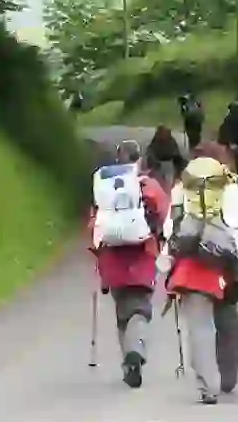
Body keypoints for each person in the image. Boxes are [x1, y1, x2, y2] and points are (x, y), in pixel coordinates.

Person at [159, 141, 238, 405]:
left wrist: (168, 261)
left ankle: (207, 385)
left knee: (199, 327)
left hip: (190, 264)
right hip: (223, 264)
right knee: (227, 318)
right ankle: (228, 375)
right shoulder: (230, 187)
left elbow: (171, 229)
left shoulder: (182, 187)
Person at [89, 140, 171, 389]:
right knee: (140, 308)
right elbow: (166, 217)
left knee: (122, 310)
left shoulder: (105, 186)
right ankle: (135, 352)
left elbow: (95, 224)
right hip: (143, 254)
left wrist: (96, 252)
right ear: (140, 159)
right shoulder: (148, 185)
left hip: (112, 257)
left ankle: (129, 361)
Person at [216, 100, 238, 181]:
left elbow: (223, 132)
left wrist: (226, 142)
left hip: (230, 145)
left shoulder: (228, 119)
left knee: (230, 164)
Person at [146, 125, 186, 191]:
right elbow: (150, 152)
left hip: (170, 163)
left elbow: (177, 154)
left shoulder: (171, 141)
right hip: (158, 164)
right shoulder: (155, 141)